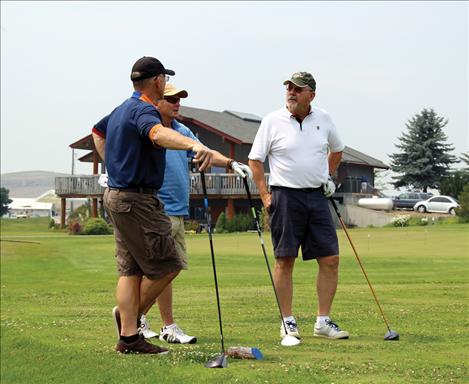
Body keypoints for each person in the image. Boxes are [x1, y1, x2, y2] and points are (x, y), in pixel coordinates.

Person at [92, 56, 213, 354]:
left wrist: (113, 164)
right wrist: (194, 145)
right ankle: (129, 320)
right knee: (168, 264)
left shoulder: (122, 109)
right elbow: (156, 134)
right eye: (164, 78)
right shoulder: (146, 110)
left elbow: (97, 132)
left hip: (119, 196)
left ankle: (130, 337)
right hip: (138, 200)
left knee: (130, 270)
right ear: (158, 81)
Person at [139, 83, 253, 344]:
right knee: (159, 268)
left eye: (179, 99)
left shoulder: (183, 130)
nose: (177, 103)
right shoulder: (151, 130)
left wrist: (231, 163)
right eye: (171, 99)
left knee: (168, 269)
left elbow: (206, 151)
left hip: (178, 209)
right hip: (157, 208)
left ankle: (158, 323)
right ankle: (140, 319)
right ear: (157, 101)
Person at [248, 71, 349, 343]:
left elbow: (337, 150)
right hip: (285, 197)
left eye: (298, 89)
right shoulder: (272, 121)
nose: (291, 92)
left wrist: (328, 176)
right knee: (285, 260)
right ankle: (287, 322)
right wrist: (264, 196)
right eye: (289, 88)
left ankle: (323, 321)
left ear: (311, 95)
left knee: (330, 259)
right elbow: (255, 161)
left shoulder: (324, 119)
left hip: (317, 197)